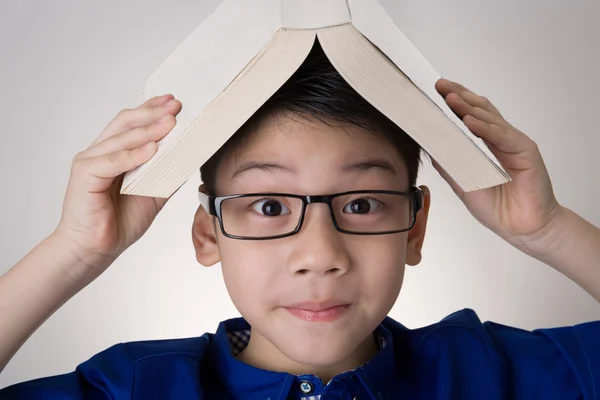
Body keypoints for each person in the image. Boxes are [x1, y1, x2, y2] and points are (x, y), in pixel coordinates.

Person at [0, 43, 598, 400]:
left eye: (361, 204)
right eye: (269, 206)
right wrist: (75, 250)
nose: (319, 253)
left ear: (414, 228)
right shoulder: (135, 387)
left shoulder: (489, 372)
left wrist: (547, 229)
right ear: (208, 233)